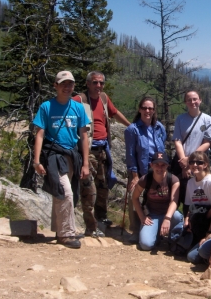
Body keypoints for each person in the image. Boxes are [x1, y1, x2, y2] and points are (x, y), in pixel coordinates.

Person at [33, 71, 90, 249]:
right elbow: (40, 134)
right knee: (64, 190)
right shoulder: (46, 107)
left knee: (66, 191)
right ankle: (67, 233)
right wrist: (36, 161)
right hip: (53, 155)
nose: (67, 87)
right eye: (63, 83)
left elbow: (84, 136)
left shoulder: (78, 108)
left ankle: (58, 230)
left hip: (72, 155)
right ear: (55, 86)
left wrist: (86, 163)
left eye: (70, 84)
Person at [72, 71, 130, 237]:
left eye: (101, 83)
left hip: (103, 150)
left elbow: (114, 112)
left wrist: (130, 126)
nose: (98, 86)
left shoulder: (104, 98)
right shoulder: (79, 100)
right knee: (89, 190)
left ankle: (101, 218)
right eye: (95, 82)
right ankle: (91, 226)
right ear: (88, 83)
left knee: (103, 186)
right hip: (87, 151)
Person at [125, 97, 167, 244]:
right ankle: (136, 229)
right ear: (140, 109)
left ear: (154, 110)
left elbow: (163, 150)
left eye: (150, 108)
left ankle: (160, 228)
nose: (147, 111)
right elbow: (130, 154)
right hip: (141, 170)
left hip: (158, 170)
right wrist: (135, 176)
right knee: (134, 194)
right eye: (144, 108)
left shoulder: (160, 128)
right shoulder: (132, 129)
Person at [131, 152, 183, 251]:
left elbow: (174, 201)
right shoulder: (145, 179)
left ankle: (173, 240)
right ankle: (157, 235)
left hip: (168, 214)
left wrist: (167, 219)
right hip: (152, 215)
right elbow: (135, 198)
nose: (159, 168)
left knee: (177, 216)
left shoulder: (173, 180)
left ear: (167, 166)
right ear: (151, 165)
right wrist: (142, 216)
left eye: (163, 165)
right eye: (156, 164)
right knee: (146, 245)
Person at [172, 90, 211, 205]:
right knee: (178, 194)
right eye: (189, 100)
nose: (192, 102)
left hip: (198, 162)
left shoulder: (208, 119)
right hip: (181, 161)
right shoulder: (180, 119)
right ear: (185, 102)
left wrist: (189, 160)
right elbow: (177, 140)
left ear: (200, 100)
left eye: (195, 99)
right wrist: (184, 163)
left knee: (197, 194)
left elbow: (207, 143)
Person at [183, 151, 211, 241]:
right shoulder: (190, 182)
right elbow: (189, 205)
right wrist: (187, 220)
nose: (195, 165)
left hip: (209, 218)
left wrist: (201, 219)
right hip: (195, 215)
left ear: (205, 165)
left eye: (199, 162)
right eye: (191, 162)